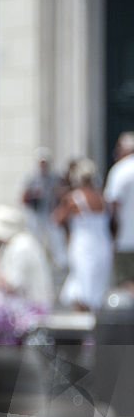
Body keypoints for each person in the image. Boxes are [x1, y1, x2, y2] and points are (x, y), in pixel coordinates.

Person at [54, 159, 112, 311]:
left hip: (84, 247)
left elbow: (57, 219)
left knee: (82, 290)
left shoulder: (74, 197)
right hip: (103, 246)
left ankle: (85, 329)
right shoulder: (102, 197)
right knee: (95, 289)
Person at [0, 204, 55, 310]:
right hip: (23, 305)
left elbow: (11, 287)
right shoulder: (12, 244)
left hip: (32, 308)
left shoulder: (21, 247)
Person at [104, 131, 134, 291]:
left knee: (126, 282)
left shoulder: (120, 170)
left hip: (127, 239)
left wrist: (112, 234)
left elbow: (113, 204)